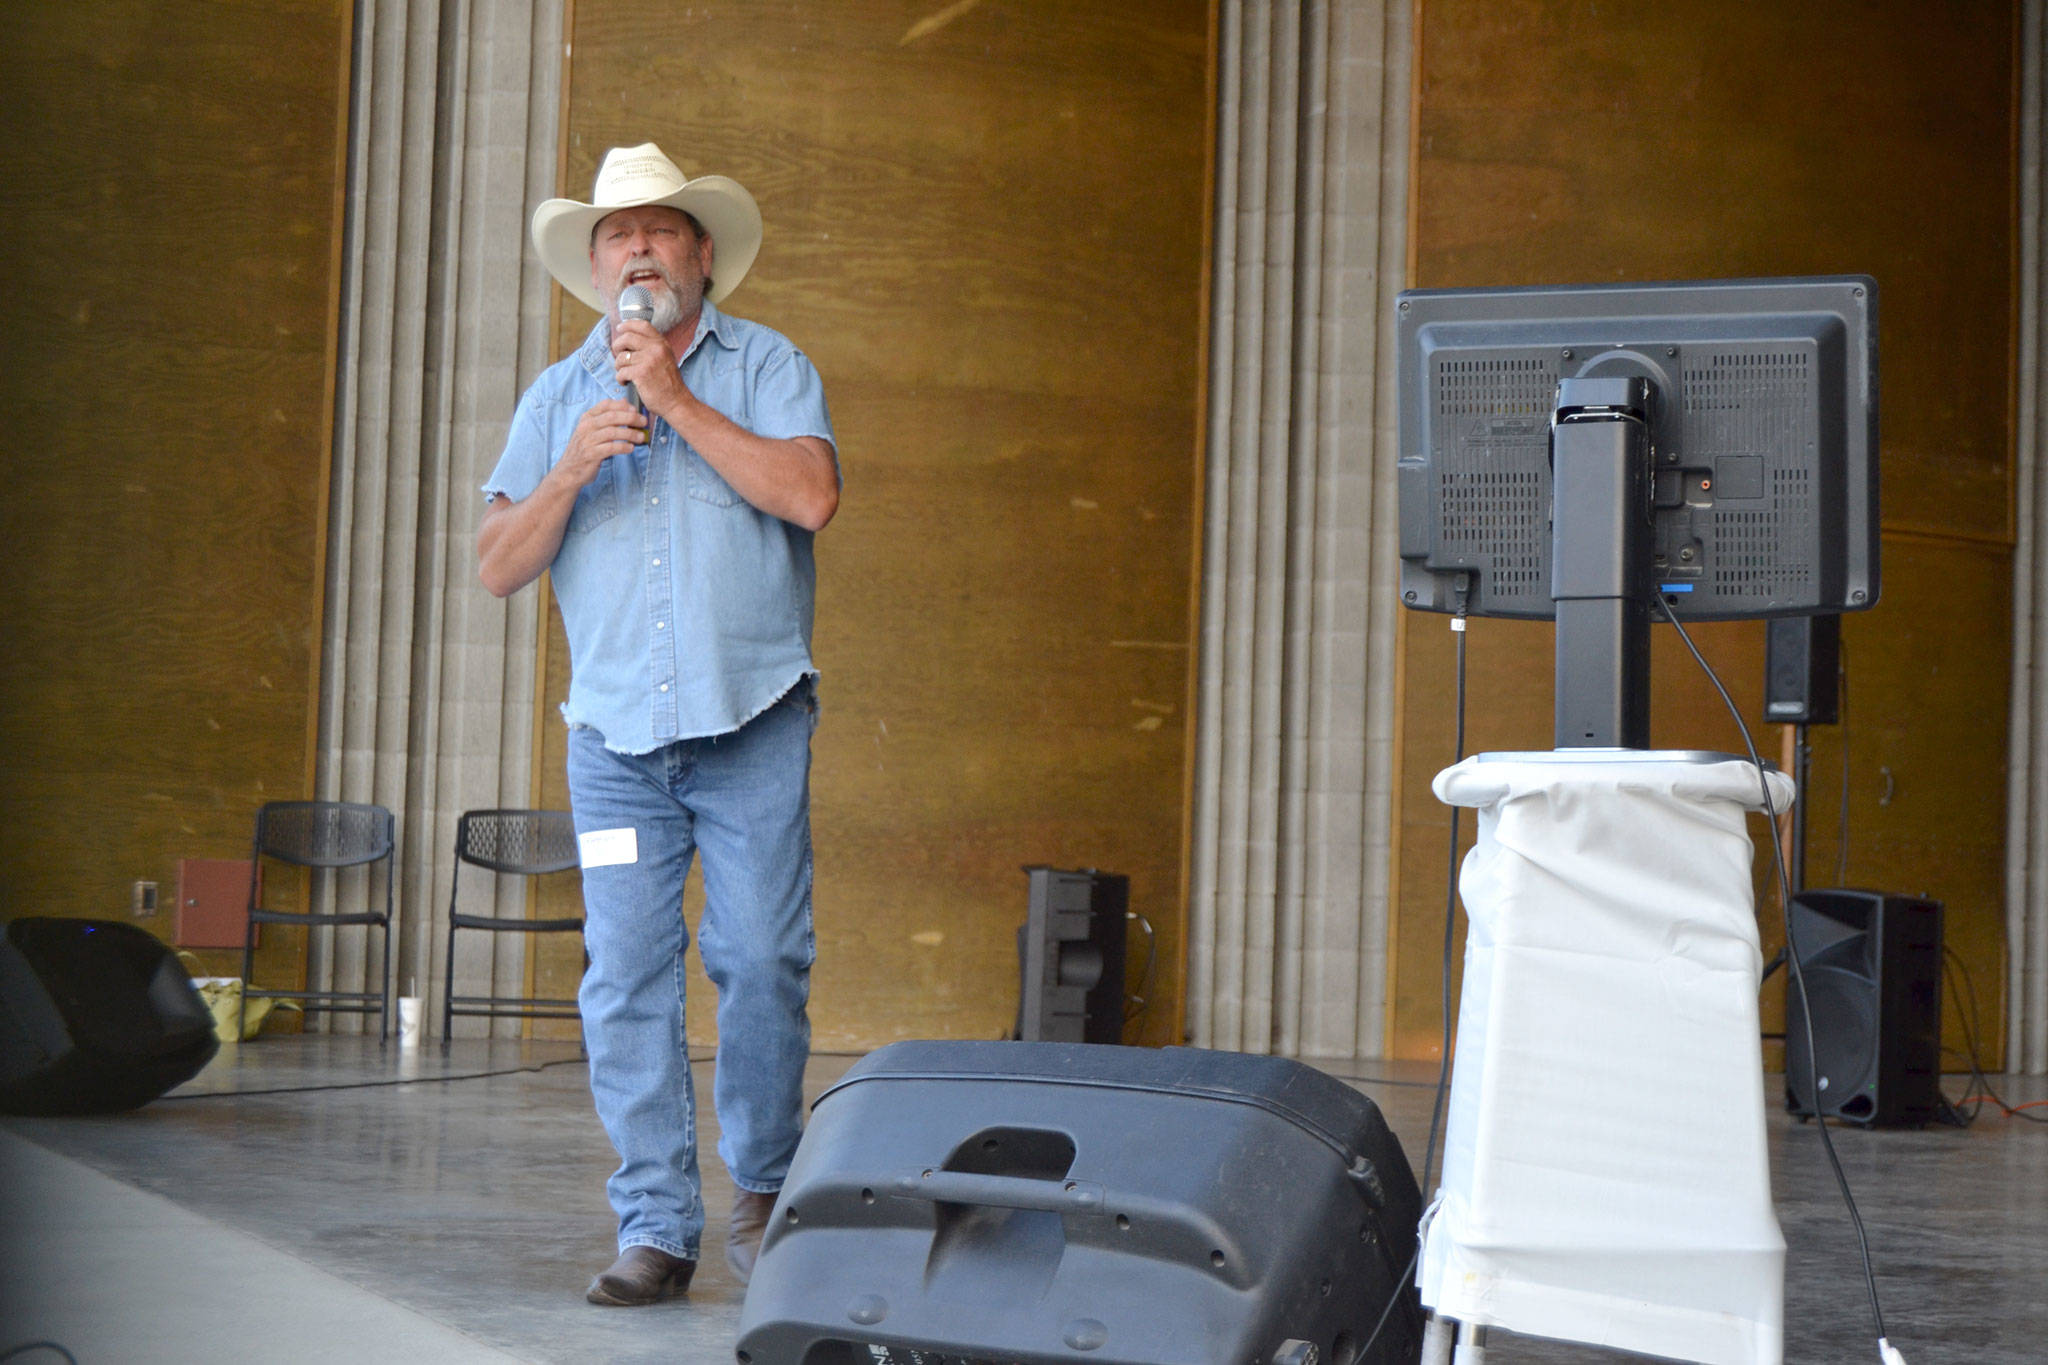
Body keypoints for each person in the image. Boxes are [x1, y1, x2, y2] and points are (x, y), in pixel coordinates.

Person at [477, 142, 839, 1305]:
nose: (636, 251)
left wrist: (674, 401)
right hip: (615, 749)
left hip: (751, 724)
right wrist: (567, 473)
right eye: (616, 236)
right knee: (625, 978)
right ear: (594, 271)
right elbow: (497, 566)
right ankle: (654, 1227)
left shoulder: (768, 365)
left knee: (760, 959)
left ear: (702, 256)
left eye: (658, 231)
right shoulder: (557, 396)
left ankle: (765, 1192)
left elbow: (811, 496)